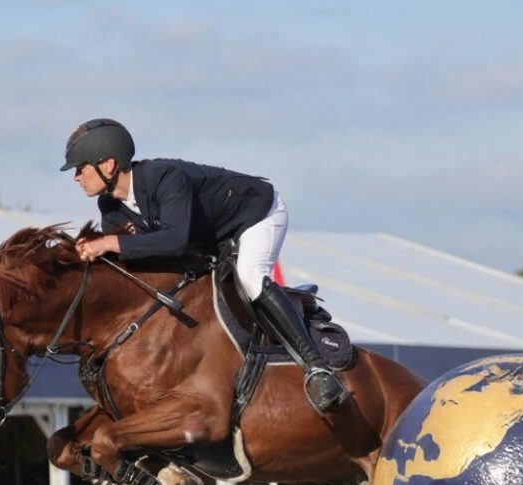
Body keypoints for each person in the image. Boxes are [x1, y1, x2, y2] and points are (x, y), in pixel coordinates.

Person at [61, 118, 348, 413]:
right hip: (208, 241)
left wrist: (108, 244)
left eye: (80, 168)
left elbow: (173, 240)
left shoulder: (163, 177)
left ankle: (316, 368)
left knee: (250, 278)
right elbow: (136, 258)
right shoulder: (109, 206)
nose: (76, 177)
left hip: (255, 216)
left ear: (108, 164)